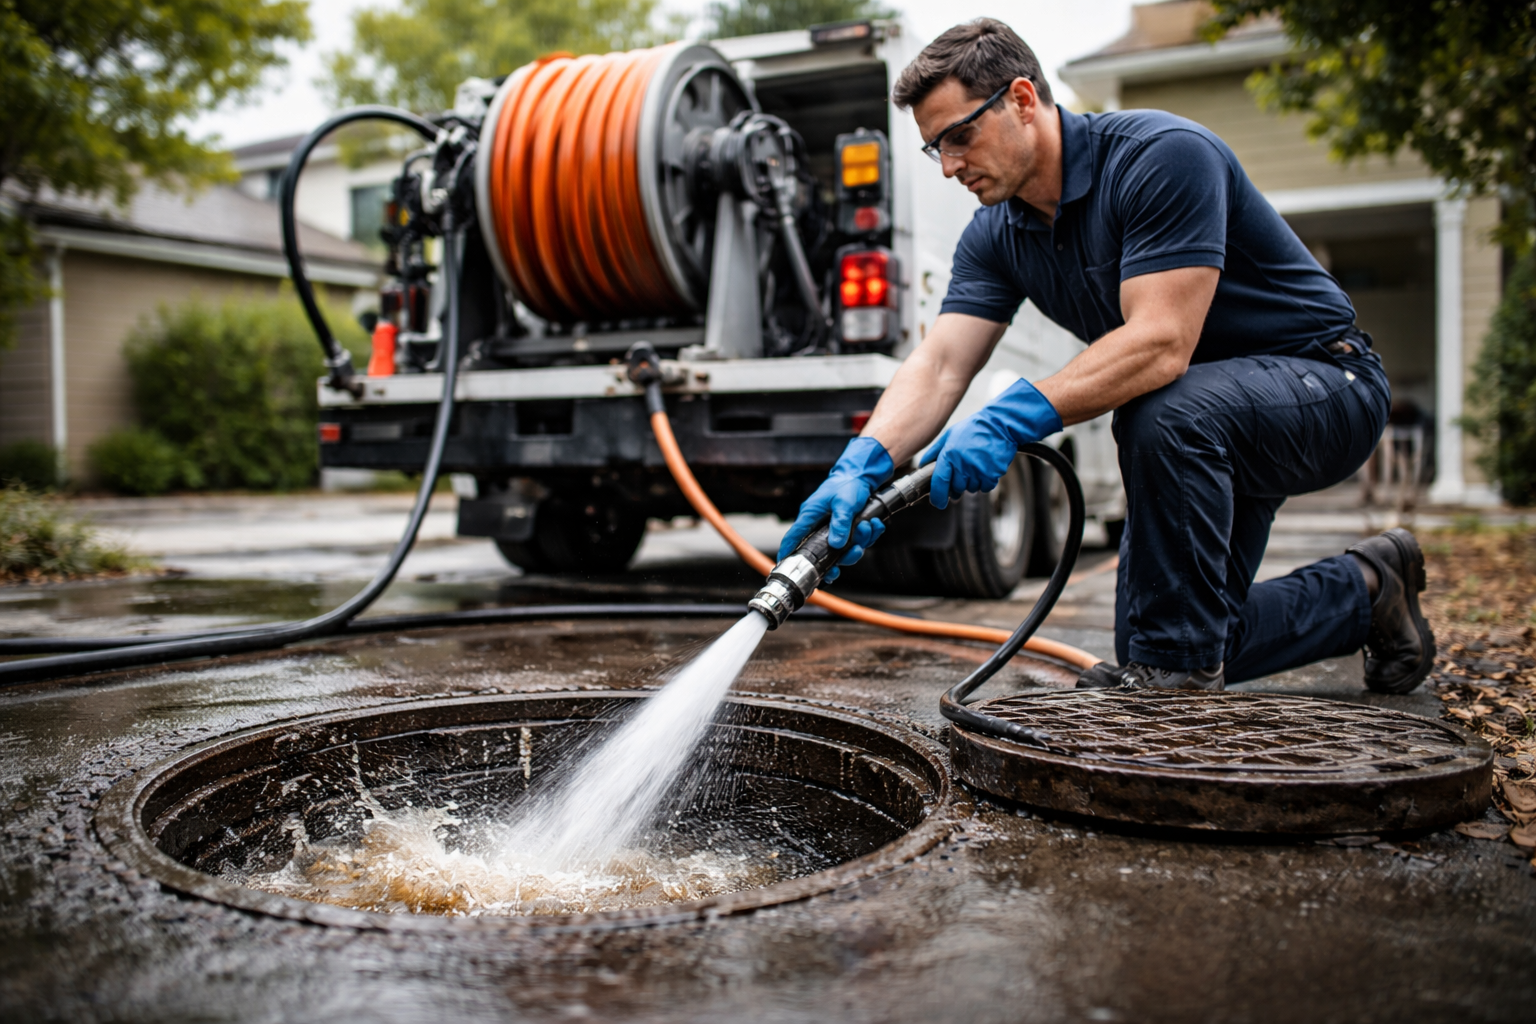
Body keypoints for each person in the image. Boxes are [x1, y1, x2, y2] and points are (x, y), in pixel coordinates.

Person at [778, 19, 1434, 694]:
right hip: (1212, 417)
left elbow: (1161, 342)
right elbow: (943, 363)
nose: (949, 166)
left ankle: (1171, 697)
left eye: (960, 136)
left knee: (1161, 415)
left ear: (1023, 100)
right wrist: (862, 464)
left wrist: (1008, 419)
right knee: (1171, 635)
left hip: (1326, 383)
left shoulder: (1161, 157)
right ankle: (1368, 590)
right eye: (933, 150)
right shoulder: (997, 235)